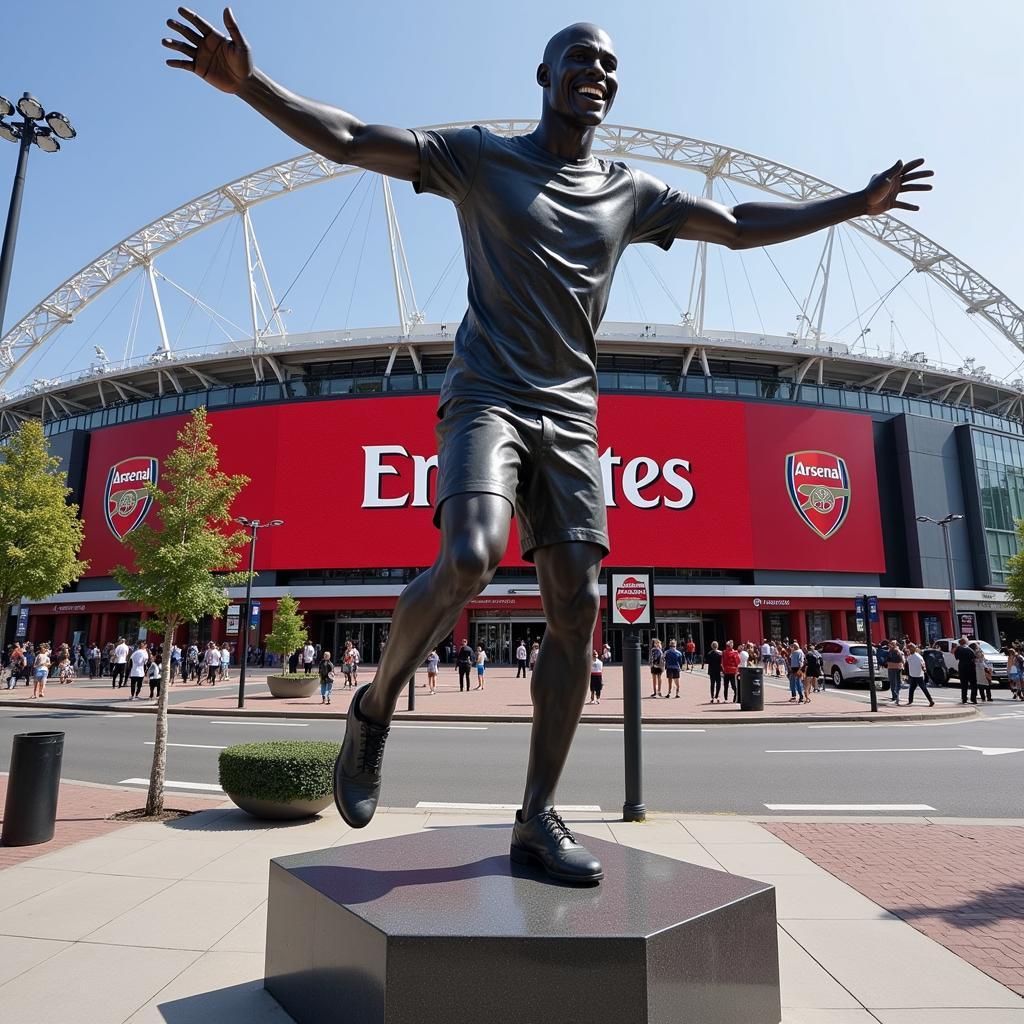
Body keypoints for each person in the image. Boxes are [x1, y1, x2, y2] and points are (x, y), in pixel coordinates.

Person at [164, 9, 935, 884]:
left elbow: (739, 224)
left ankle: (535, 819)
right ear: (543, 75)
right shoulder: (481, 159)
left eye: (609, 66)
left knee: (579, 607)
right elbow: (348, 139)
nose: (596, 74)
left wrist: (855, 205)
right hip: (486, 398)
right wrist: (252, 86)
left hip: (572, 420)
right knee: (471, 556)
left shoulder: (632, 192)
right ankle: (373, 711)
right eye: (580, 60)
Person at [905, 642, 934, 707]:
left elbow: (922, 664)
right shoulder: (910, 657)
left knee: (923, 688)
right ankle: (910, 701)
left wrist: (924, 669)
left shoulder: (917, 656)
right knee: (912, 689)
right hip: (914, 675)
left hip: (918, 675)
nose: (908, 650)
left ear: (912, 649)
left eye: (909, 649)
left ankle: (931, 700)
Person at [955, 636, 977, 704]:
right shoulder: (970, 650)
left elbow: (956, 657)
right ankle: (973, 698)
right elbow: (974, 658)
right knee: (973, 684)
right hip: (971, 667)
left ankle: (964, 699)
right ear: (966, 642)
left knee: (964, 684)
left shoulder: (958, 649)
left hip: (962, 667)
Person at [884, 639, 905, 704]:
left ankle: (894, 695)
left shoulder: (889, 651)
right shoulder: (898, 651)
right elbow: (903, 659)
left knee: (892, 682)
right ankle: (897, 694)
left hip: (891, 667)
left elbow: (886, 659)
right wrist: (903, 664)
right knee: (898, 681)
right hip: (898, 667)